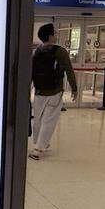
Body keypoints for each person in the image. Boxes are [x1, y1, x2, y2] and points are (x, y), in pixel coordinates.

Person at [30, 23, 78, 159]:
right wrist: (74, 88)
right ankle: (38, 149)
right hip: (55, 92)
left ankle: (38, 144)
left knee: (38, 119)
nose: (56, 35)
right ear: (50, 36)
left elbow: (31, 73)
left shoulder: (36, 52)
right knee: (49, 120)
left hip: (39, 91)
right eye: (55, 33)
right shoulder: (60, 51)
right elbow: (69, 70)